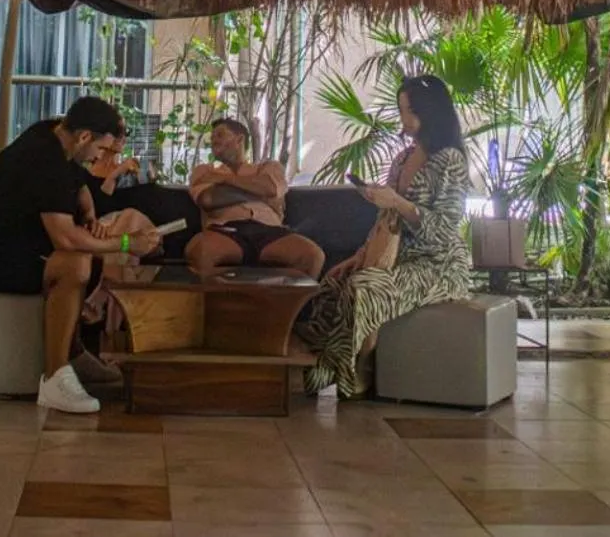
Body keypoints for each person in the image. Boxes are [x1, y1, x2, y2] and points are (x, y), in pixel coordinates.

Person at [0, 96, 164, 413]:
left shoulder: (51, 134)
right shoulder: (44, 161)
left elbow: (79, 186)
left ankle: (74, 353)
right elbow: (64, 237)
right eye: (103, 150)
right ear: (84, 137)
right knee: (74, 262)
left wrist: (89, 214)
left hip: (12, 248)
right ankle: (55, 378)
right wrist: (125, 244)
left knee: (89, 256)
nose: (101, 159)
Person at [296, 74, 471, 397]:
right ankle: (326, 365)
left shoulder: (449, 160)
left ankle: (360, 368)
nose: (401, 117)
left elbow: (445, 230)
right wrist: (359, 256)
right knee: (333, 282)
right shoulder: (403, 158)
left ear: (427, 112)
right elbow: (385, 222)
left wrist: (399, 203)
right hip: (395, 256)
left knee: (365, 288)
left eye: (406, 110)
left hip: (437, 264)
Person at [185, 117, 325, 278]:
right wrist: (259, 195)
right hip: (225, 230)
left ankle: (276, 304)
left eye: (220, 135)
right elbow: (209, 200)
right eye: (212, 138)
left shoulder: (269, 167)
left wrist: (224, 180)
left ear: (240, 139)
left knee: (312, 256)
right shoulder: (204, 171)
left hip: (271, 231)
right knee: (201, 252)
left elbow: (270, 188)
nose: (213, 141)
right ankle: (223, 304)